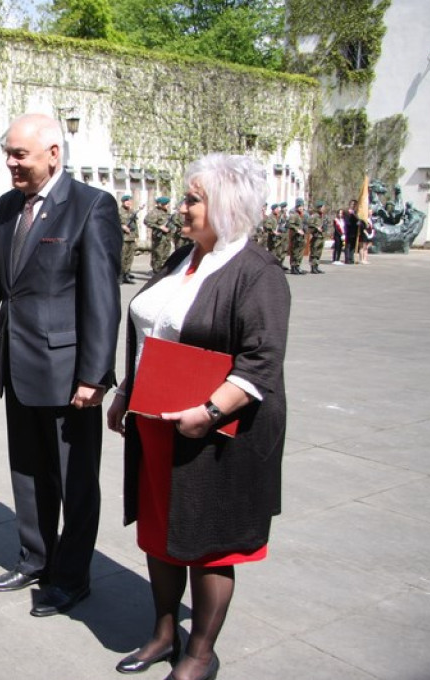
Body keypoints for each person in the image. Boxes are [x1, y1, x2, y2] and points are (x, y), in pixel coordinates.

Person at [107, 153, 290, 680]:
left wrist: (209, 411)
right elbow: (153, 331)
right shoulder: (182, 259)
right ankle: (164, 635)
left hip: (216, 433)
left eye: (192, 198)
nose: (181, 207)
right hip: (159, 421)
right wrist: (127, 392)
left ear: (226, 206)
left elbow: (262, 361)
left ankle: (201, 654)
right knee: (161, 534)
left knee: (209, 544)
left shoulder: (258, 274)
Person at [0, 113, 121, 617]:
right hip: (17, 364)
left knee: (74, 481)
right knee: (28, 473)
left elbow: (102, 299)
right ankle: (35, 558)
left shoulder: (90, 206)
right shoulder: (10, 205)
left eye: (19, 154)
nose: (10, 163)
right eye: (8, 153)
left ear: (53, 153)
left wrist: (93, 376)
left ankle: (72, 576)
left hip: (68, 374)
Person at [146, 196, 172, 272]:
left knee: (166, 255)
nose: (167, 205)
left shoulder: (166, 212)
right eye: (166, 204)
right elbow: (147, 221)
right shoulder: (154, 212)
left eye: (167, 204)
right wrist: (159, 227)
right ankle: (156, 271)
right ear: (160, 204)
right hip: (159, 238)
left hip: (167, 238)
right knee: (158, 255)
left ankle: (163, 271)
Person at [118, 194, 139, 284]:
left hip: (131, 238)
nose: (128, 202)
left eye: (129, 201)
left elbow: (135, 225)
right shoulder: (118, 212)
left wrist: (136, 236)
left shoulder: (132, 212)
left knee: (130, 258)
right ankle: (120, 276)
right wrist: (122, 226)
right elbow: (113, 222)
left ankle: (127, 274)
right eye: (126, 201)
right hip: (123, 238)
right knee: (122, 258)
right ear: (123, 202)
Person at [286, 198, 307, 275]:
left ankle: (298, 266)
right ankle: (293, 267)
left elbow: (305, 224)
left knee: (300, 253)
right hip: (295, 236)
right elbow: (290, 224)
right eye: (300, 206)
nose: (301, 208)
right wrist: (297, 229)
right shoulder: (294, 215)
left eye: (302, 206)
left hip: (301, 237)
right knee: (295, 252)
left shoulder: (303, 215)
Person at [306, 200, 327, 274]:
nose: (324, 208)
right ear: (319, 208)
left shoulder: (323, 216)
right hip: (316, 236)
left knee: (319, 252)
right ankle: (313, 267)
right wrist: (316, 227)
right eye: (323, 207)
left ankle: (316, 266)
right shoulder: (315, 216)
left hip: (321, 236)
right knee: (314, 252)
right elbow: (309, 223)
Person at [344, 199, 361, 264]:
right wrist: (354, 216)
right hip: (348, 231)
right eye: (352, 204)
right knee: (348, 245)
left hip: (355, 231)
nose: (353, 205)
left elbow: (359, 220)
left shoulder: (356, 213)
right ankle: (347, 259)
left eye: (354, 204)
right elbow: (346, 222)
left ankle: (351, 258)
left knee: (353, 246)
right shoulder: (346, 212)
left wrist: (359, 222)